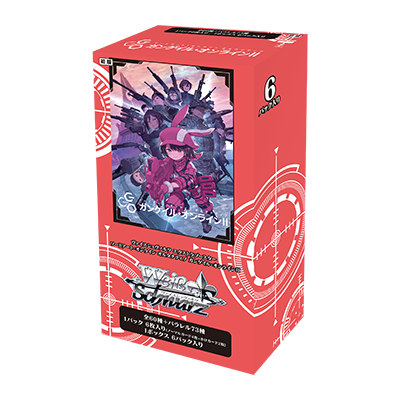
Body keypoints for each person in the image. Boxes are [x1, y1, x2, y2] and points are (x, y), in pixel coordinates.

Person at [144, 105, 218, 233]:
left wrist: (170, 185)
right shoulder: (169, 161)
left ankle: (206, 220)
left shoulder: (189, 166)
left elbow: (188, 180)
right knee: (172, 203)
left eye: (178, 150)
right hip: (178, 189)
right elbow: (162, 168)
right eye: (169, 150)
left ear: (186, 150)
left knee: (203, 203)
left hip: (194, 187)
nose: (173, 154)